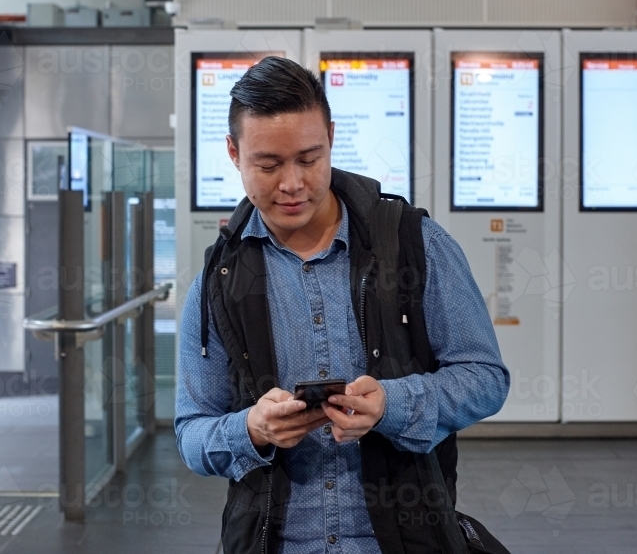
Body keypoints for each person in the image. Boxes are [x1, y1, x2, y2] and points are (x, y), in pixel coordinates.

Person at [175, 56, 510, 554]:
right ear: (233, 152)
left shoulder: (415, 244)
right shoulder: (218, 282)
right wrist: (251, 428)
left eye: (309, 159)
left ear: (331, 137)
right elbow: (192, 433)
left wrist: (393, 405)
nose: (292, 183)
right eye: (268, 165)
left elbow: (485, 377)